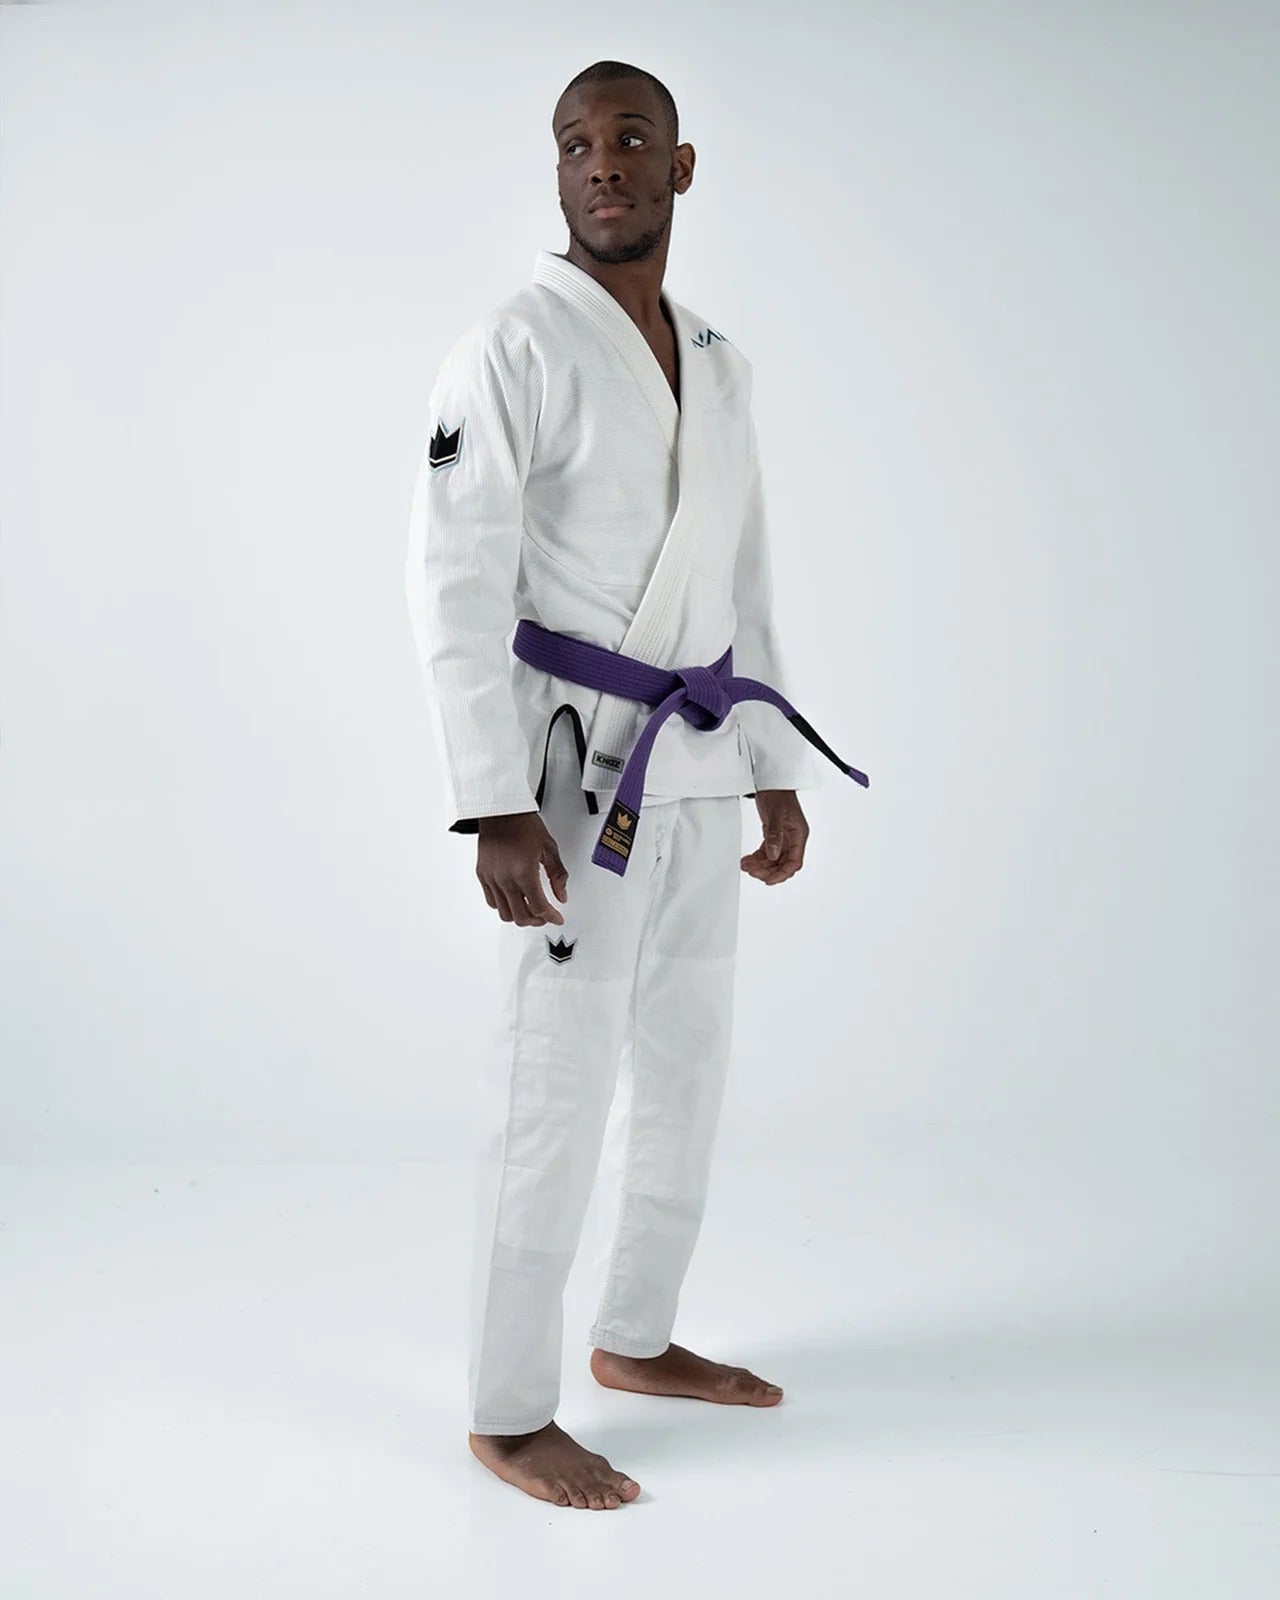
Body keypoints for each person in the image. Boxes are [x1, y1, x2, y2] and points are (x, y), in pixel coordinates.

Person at [404, 59, 868, 1511]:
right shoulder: (512, 346)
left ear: (680, 166)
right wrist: (490, 799)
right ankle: (507, 1410)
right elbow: (452, 577)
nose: (600, 162)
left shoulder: (720, 360)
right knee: (553, 1082)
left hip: (701, 761)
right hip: (571, 776)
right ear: (556, 176)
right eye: (574, 145)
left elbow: (741, 574)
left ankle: (638, 1335)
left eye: (628, 139)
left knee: (685, 1066)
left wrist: (775, 769)